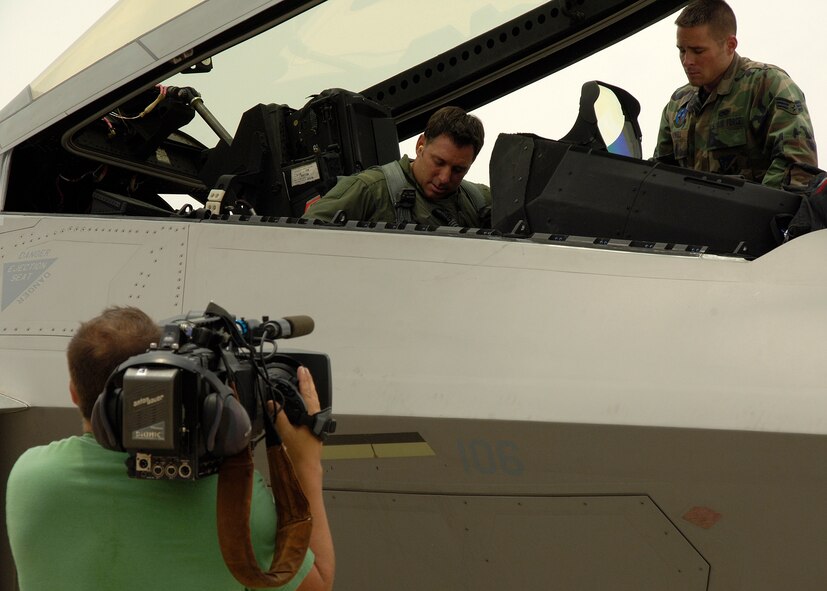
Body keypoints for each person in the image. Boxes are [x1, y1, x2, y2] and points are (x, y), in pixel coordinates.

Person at [5, 306, 334, 591]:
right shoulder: (234, 502)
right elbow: (318, 583)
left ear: (74, 393)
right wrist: (306, 465)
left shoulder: (29, 476)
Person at [652, 0, 817, 188]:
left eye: (698, 51)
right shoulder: (677, 105)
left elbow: (797, 168)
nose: (687, 61)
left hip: (755, 215)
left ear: (730, 45)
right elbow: (659, 176)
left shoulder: (767, 86)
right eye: (682, 50)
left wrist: (755, 212)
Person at [304, 106, 491, 227]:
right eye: (438, 162)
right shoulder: (369, 190)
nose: (444, 178)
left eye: (458, 170)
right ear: (421, 145)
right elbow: (300, 238)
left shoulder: (480, 201)